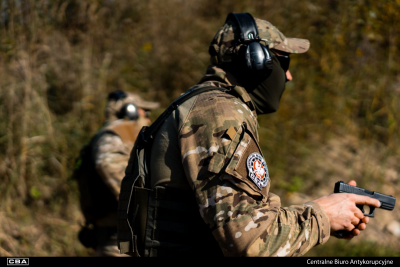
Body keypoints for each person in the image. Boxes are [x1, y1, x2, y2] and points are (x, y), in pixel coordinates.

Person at [117, 13, 380, 257]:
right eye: (284, 61)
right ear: (256, 60)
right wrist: (323, 215)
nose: (288, 76)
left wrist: (326, 217)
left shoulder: (204, 104)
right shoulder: (219, 113)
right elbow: (250, 242)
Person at [74, 90, 159, 257]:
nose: (148, 118)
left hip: (117, 234)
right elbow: (107, 163)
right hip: (119, 237)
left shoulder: (109, 133)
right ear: (130, 110)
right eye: (145, 112)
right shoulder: (115, 133)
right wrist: (142, 205)